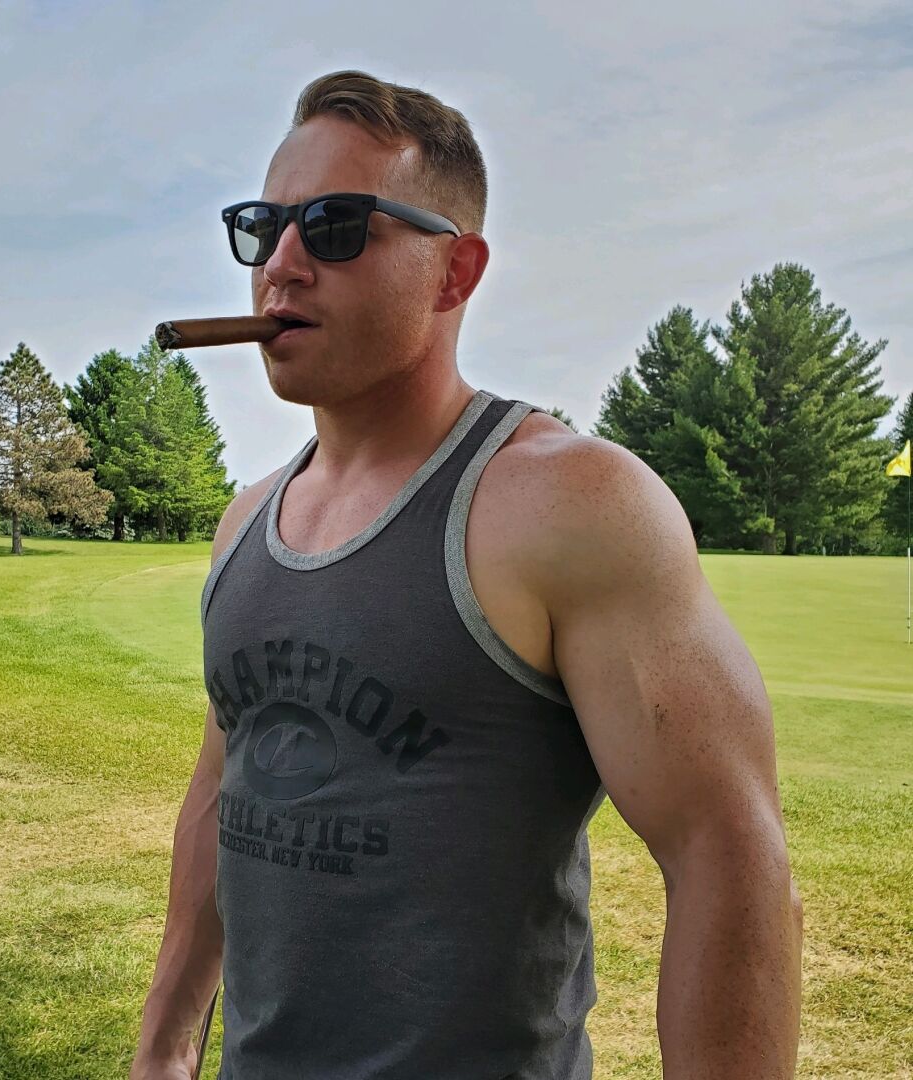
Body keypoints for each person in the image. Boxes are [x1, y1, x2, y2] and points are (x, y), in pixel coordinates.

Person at [130, 70, 803, 1080]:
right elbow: (226, 790)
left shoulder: (571, 502)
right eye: (262, 228)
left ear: (455, 271)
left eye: (335, 226)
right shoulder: (245, 523)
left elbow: (730, 858)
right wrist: (166, 1044)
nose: (283, 265)